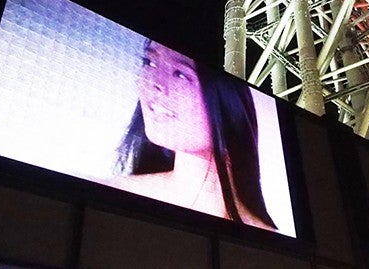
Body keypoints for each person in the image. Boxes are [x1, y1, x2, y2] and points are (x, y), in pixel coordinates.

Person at [111, 40, 276, 230]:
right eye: (149, 62)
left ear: (225, 101)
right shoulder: (113, 194)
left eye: (180, 74)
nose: (156, 83)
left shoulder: (269, 238)